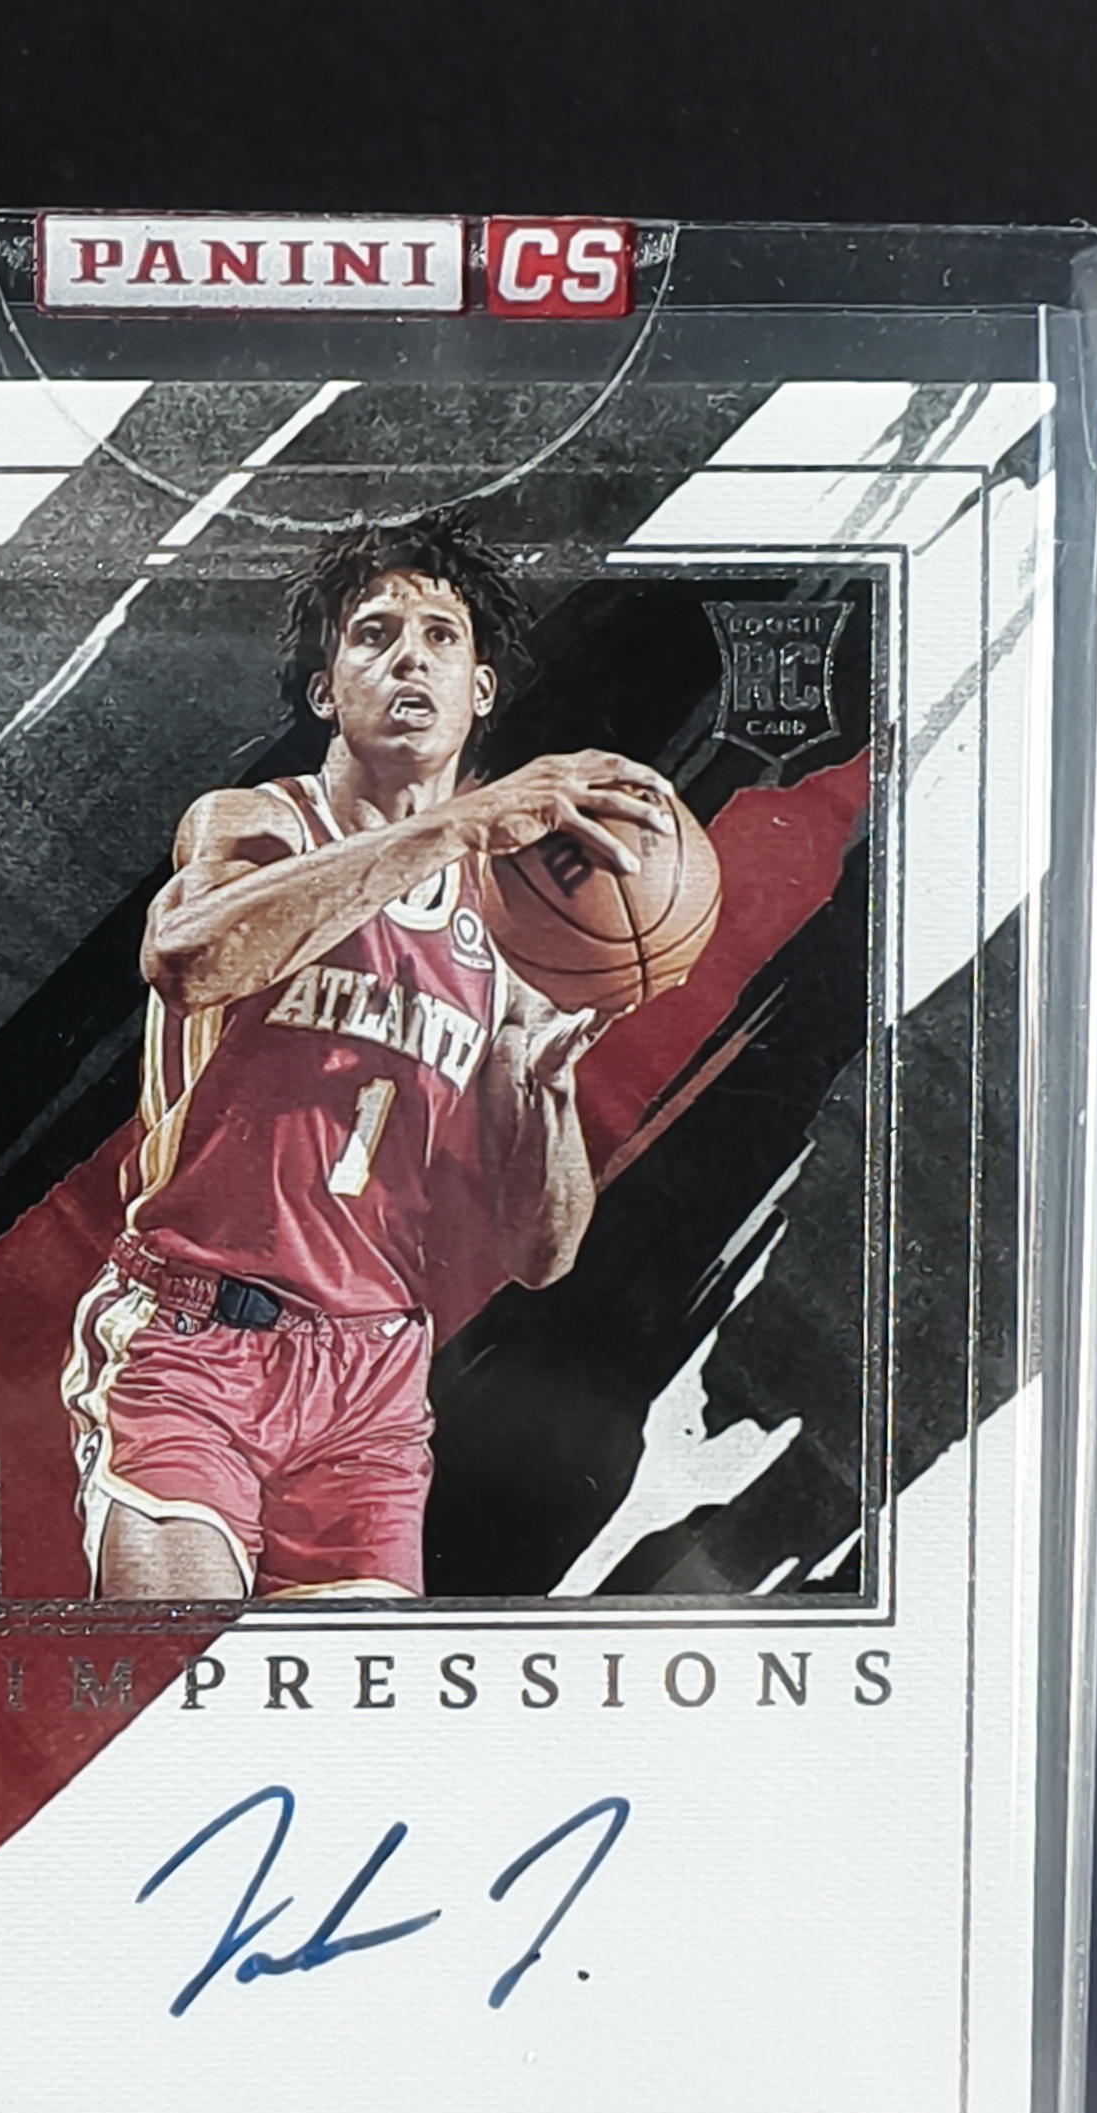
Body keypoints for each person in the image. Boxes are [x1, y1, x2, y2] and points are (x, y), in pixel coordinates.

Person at [61, 510, 680, 1599]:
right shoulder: (258, 826)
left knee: (348, 1702)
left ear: (480, 691)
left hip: (371, 1382)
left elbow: (542, 1254)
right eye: (374, 634)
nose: (409, 659)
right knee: (178, 1667)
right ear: (325, 689)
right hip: (195, 1338)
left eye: (441, 637)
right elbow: (189, 960)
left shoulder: (515, 934)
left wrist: (543, 1095)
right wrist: (460, 823)